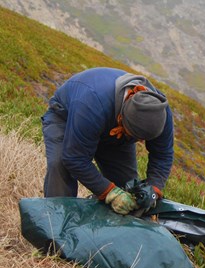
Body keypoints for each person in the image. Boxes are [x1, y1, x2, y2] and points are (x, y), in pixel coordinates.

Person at [41, 67, 174, 215]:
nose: (140, 143)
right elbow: (75, 158)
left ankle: (105, 233)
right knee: (60, 165)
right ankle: (56, 225)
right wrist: (109, 192)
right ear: (121, 119)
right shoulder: (92, 103)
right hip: (66, 117)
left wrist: (153, 189)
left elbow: (163, 155)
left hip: (113, 131)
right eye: (135, 136)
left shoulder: (160, 112)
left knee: (128, 192)